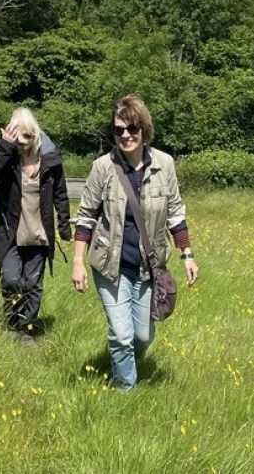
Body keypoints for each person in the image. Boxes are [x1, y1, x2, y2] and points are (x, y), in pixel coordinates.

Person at [72, 94, 198, 390]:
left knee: (142, 336)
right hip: (110, 266)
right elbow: (86, 216)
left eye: (132, 129)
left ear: (144, 129)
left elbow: (175, 212)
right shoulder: (102, 167)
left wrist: (187, 255)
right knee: (121, 334)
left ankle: (124, 362)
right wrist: (77, 261)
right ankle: (125, 392)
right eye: (119, 130)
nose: (125, 135)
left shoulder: (164, 165)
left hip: (147, 268)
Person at [0, 108, 71, 342]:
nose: (22, 144)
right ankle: (12, 323)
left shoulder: (51, 159)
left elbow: (61, 194)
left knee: (32, 284)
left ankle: (27, 329)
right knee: (11, 279)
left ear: (35, 134)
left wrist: (64, 226)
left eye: (27, 138)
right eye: (17, 138)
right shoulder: (8, 156)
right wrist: (5, 148)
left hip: (39, 231)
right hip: (10, 230)